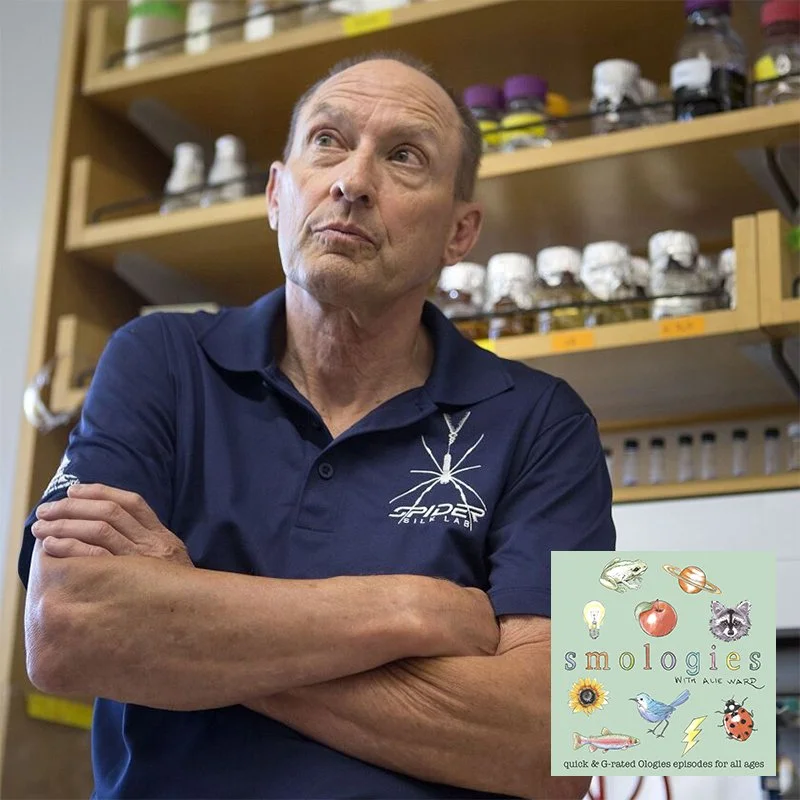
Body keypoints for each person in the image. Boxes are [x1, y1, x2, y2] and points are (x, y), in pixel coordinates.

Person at [18, 52, 614, 799]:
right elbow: (67, 628)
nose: (352, 182)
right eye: (327, 141)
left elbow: (557, 745)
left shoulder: (544, 420)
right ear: (276, 194)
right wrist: (412, 609)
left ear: (460, 233)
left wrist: (185, 617)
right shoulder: (158, 358)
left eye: (405, 156)